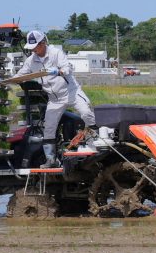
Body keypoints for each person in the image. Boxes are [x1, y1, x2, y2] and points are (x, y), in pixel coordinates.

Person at [14, 30, 97, 166]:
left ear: (43, 43)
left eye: (36, 47)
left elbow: (67, 68)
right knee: (49, 128)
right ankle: (51, 159)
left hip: (71, 92)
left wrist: (58, 71)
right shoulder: (31, 61)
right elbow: (22, 74)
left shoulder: (56, 53)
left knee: (86, 112)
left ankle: (95, 142)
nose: (34, 50)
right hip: (54, 98)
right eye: (32, 48)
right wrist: (13, 79)